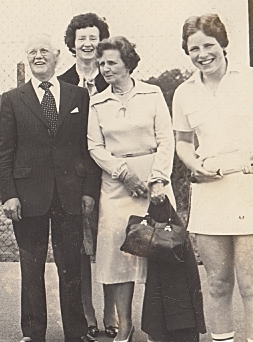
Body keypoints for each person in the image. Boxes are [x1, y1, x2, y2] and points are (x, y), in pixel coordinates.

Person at [88, 36, 204, 342]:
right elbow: (95, 147)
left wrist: (156, 180)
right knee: (118, 257)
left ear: (128, 63)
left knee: (160, 251)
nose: (105, 68)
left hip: (154, 184)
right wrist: (123, 173)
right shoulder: (97, 102)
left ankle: (159, 326)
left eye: (111, 62)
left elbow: (166, 140)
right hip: (116, 185)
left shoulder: (151, 94)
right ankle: (125, 325)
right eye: (101, 64)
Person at [0, 33, 100, 342]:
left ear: (57, 56)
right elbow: (4, 152)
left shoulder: (77, 96)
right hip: (28, 197)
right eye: (32, 52)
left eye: (44, 51)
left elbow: (88, 147)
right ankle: (33, 332)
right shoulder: (13, 99)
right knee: (31, 267)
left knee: (71, 266)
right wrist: (9, 194)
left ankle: (76, 332)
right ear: (27, 59)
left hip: (69, 194)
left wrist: (88, 191)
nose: (38, 56)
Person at [173, 14, 253, 342]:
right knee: (218, 282)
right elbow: (182, 142)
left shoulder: (249, 79)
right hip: (209, 192)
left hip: (247, 190)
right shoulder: (184, 92)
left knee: (251, 283)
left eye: (209, 45)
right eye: (194, 48)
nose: (202, 53)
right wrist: (194, 165)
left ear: (223, 44)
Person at [58, 13, 117, 339]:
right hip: (74, 178)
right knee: (78, 250)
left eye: (93, 38)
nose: (87, 44)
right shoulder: (62, 82)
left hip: (110, 175)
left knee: (110, 245)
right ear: (72, 43)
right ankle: (86, 316)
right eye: (81, 38)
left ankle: (112, 314)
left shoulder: (114, 77)